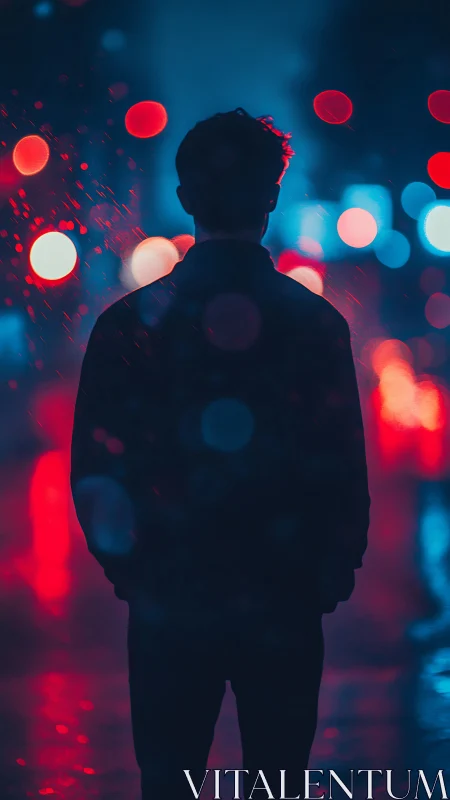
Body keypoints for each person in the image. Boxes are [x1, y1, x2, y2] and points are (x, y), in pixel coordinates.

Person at [71, 108, 371, 800]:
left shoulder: (129, 326)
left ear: (185, 198)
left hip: (171, 599)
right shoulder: (314, 324)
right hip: (284, 596)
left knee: (168, 778)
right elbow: (341, 469)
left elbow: (97, 472)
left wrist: (137, 575)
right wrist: (326, 573)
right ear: (272, 196)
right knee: (278, 779)